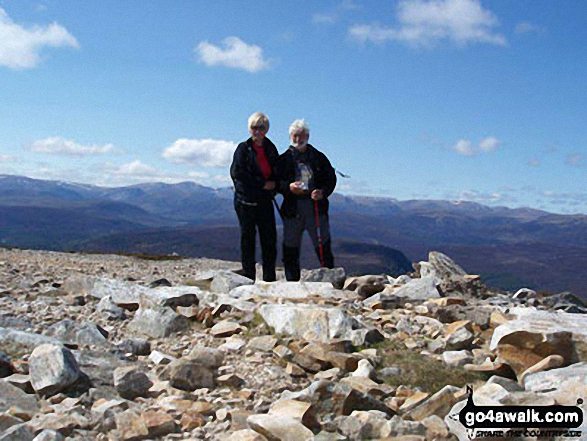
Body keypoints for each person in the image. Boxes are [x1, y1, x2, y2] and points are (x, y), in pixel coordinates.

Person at [277, 119, 336, 281]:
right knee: (290, 246)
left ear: (308, 136)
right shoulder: (283, 160)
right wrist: (288, 187)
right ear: (290, 137)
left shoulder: (319, 158)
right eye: (295, 136)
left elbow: (331, 178)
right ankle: (292, 282)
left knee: (322, 245)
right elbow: (275, 182)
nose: (298, 139)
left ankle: (330, 279)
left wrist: (322, 192)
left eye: (302, 136)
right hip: (292, 209)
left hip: (315, 207)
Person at [230, 111, 279, 281]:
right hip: (246, 201)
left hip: (265, 200)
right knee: (248, 239)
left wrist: (275, 186)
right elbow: (237, 172)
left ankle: (269, 279)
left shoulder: (270, 148)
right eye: (254, 127)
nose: (258, 131)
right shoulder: (243, 149)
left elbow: (277, 170)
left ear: (267, 129)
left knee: (269, 240)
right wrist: (262, 184)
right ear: (249, 129)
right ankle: (249, 277)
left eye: (261, 127)